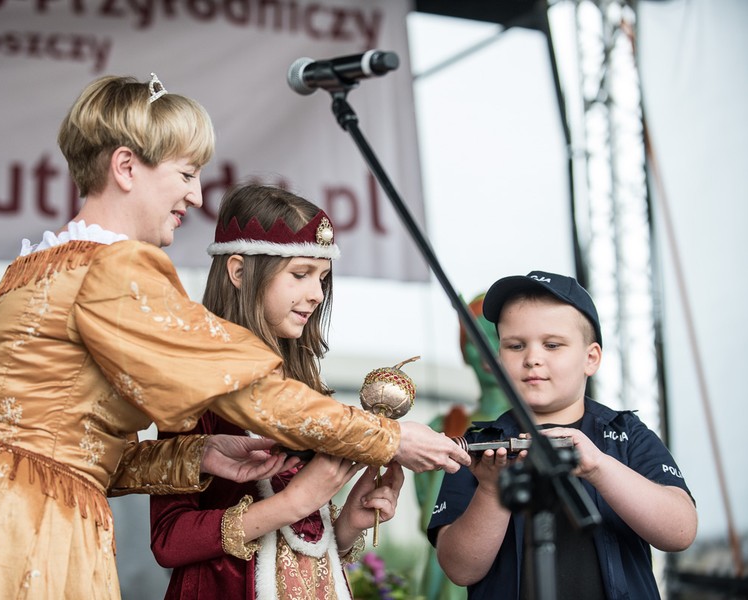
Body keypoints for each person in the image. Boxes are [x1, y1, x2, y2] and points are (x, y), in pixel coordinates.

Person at [0, 75, 468, 599]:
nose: (195, 196)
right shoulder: (116, 266)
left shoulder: (34, 267)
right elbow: (248, 393)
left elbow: (67, 444)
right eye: (186, 174)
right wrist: (388, 437)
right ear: (126, 167)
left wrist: (197, 456)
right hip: (24, 522)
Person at [150, 184, 405, 599]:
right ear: (238, 272)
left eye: (322, 278)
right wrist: (293, 503)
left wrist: (347, 523)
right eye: (300, 274)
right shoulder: (196, 379)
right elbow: (168, 538)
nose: (316, 294)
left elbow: (303, 542)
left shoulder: (305, 385)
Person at [427, 270, 697, 599]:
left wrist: (600, 467)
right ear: (498, 359)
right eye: (515, 346)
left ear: (590, 358)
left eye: (552, 345)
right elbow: (459, 569)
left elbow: (681, 532)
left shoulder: (625, 434)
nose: (532, 359)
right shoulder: (478, 445)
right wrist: (491, 490)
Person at [415, 293, 507, 600]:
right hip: (445, 576)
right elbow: (427, 516)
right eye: (475, 339)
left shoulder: (539, 428)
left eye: (497, 337)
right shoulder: (442, 427)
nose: (486, 349)